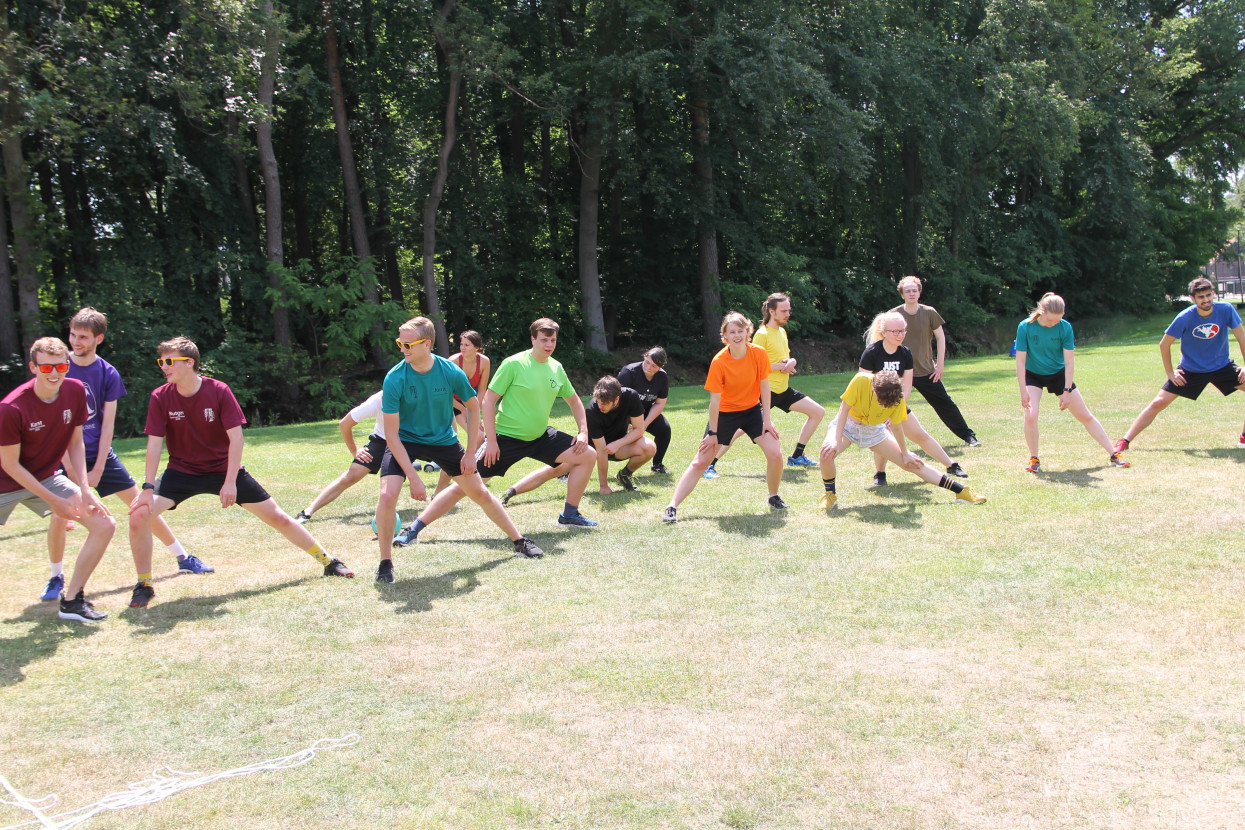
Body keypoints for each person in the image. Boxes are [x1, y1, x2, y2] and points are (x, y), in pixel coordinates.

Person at [128, 336, 353, 608]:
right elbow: (154, 445)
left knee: (278, 518)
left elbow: (236, 439)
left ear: (189, 363)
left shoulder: (218, 390)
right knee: (139, 515)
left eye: (169, 361)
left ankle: (329, 562)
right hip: (181, 471)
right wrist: (147, 488)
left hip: (224, 469)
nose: (163, 367)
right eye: (161, 361)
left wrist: (230, 481)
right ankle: (145, 584)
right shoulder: (160, 396)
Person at [40, 308, 212, 604]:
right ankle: (56, 576)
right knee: (60, 513)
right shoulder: (58, 368)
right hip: (62, 456)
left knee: (140, 505)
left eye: (83, 337)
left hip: (101, 456)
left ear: (99, 338)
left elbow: (108, 424)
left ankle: (182, 557)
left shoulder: (107, 373)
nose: (75, 341)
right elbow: (57, 421)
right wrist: (75, 473)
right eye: (72, 335)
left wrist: (99, 466)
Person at [394, 317, 598, 545]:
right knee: (465, 486)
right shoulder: (514, 364)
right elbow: (488, 401)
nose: (549, 345)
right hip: (504, 441)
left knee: (588, 454)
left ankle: (569, 514)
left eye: (552, 340)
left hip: (540, 436)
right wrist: (491, 441)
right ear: (533, 340)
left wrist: (583, 432)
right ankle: (413, 528)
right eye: (543, 340)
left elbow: (574, 401)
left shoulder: (556, 368)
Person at [373, 318, 543, 582]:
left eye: (408, 343)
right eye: (400, 343)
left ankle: (519, 541)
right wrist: (414, 477)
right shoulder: (395, 377)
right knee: (386, 496)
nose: (402, 348)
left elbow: (474, 407)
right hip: (405, 440)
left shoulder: (449, 371)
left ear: (426, 344)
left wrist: (468, 454)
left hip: (443, 440)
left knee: (480, 493)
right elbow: (392, 434)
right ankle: (385, 563)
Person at [1, 337, 115, 622]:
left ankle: (72, 600)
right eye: (47, 367)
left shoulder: (75, 391)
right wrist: (54, 501)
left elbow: (75, 443)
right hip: (5, 482)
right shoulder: (10, 408)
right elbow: (10, 465)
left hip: (46, 477)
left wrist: (84, 489)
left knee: (104, 524)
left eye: (61, 365)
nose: (54, 373)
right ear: (33, 367)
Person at [661, 312, 787, 523]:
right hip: (725, 414)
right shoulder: (719, 362)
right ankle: (671, 507)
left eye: (741, 331)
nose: (737, 335)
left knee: (775, 453)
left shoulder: (759, 353)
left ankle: (773, 496)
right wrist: (713, 432)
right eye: (732, 332)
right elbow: (715, 402)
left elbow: (765, 386)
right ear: (725, 336)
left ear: (748, 332)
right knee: (701, 461)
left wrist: (767, 420)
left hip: (753, 410)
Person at [1113, 277, 1245, 454]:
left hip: (1221, 367)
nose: (1206, 300)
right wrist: (1170, 373)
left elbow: (1242, 338)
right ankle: (1124, 441)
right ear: (1193, 299)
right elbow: (1164, 344)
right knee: (1158, 403)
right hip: (1191, 371)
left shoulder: (1226, 310)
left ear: (1213, 293)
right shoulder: (1185, 317)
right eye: (1201, 297)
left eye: (1208, 295)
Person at [818, 370, 985, 509]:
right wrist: (836, 439)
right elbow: (843, 409)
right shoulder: (861, 380)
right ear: (874, 388)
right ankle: (830, 496)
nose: (883, 406)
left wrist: (905, 453)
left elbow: (897, 428)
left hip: (873, 431)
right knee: (826, 453)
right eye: (880, 401)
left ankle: (961, 491)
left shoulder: (897, 399)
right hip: (848, 424)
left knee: (912, 463)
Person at [702, 293, 824, 479]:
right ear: (772, 311)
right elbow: (754, 365)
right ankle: (710, 464)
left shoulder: (782, 332)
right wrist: (780, 367)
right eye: (783, 310)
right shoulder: (762, 335)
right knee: (736, 430)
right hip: (766, 391)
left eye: (789, 310)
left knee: (817, 412)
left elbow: (783, 357)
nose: (788, 314)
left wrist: (791, 362)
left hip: (783, 390)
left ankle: (798, 455)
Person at [1014, 293, 1129, 473]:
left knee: (1085, 415)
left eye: (1058, 320)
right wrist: (1023, 391)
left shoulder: (1064, 327)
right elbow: (1020, 361)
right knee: (1030, 415)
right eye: (1051, 320)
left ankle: (1114, 454)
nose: (1054, 324)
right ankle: (1034, 459)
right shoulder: (1025, 327)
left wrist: (1066, 391)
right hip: (1033, 375)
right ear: (1042, 312)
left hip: (1058, 374)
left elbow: (1069, 362)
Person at [858, 312, 968, 486]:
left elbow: (907, 386)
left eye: (902, 331)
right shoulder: (872, 352)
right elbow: (862, 384)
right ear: (884, 332)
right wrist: (882, 413)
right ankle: (880, 474)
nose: (900, 335)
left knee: (921, 435)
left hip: (897, 403)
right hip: (875, 406)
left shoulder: (905, 353)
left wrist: (895, 408)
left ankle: (951, 465)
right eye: (895, 331)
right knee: (882, 437)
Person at [891, 276, 981, 446]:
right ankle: (887, 443)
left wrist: (939, 365)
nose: (911, 293)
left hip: (926, 370)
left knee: (944, 403)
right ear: (902, 294)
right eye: (907, 291)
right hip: (900, 372)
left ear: (919, 292)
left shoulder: (929, 312)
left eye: (914, 290)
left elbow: (940, 338)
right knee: (891, 405)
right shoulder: (893, 315)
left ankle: (968, 436)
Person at [293, 389, 387, 525]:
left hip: (412, 438)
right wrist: (355, 451)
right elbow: (344, 424)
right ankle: (307, 512)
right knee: (351, 476)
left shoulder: (415, 395)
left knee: (430, 453)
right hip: (383, 440)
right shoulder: (375, 402)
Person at [584, 376, 656, 493]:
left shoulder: (631, 396)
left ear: (616, 400)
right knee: (560, 468)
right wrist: (604, 486)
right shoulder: (592, 411)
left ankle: (624, 475)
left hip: (618, 447)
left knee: (649, 447)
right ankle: (566, 471)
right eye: (598, 401)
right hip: (592, 448)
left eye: (605, 403)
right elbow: (601, 450)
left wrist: (618, 444)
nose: (600, 406)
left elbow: (639, 429)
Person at [617, 347, 672, 474]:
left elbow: (659, 403)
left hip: (644, 410)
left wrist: (644, 424)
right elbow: (619, 401)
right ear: (644, 357)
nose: (648, 367)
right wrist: (627, 423)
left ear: (660, 366)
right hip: (624, 410)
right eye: (647, 362)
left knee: (664, 429)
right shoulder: (629, 372)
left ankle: (657, 465)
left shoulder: (662, 377)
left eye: (653, 366)